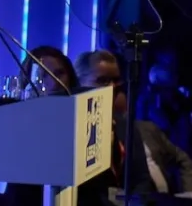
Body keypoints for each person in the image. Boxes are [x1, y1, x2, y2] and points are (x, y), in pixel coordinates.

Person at [79, 49, 192, 195]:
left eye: (116, 80)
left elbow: (142, 179)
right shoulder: (75, 130)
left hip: (150, 203)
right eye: (102, 81)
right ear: (79, 83)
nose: (112, 87)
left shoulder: (134, 127)